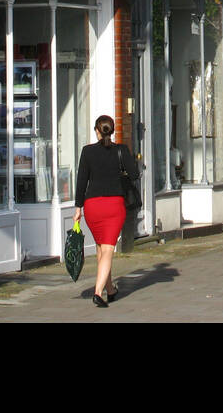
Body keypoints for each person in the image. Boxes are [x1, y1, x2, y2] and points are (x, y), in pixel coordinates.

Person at [73, 115, 137, 307]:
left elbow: (81, 181)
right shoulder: (121, 150)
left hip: (93, 206)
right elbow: (135, 174)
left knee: (102, 249)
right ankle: (98, 292)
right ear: (112, 131)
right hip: (113, 206)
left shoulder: (87, 151)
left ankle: (110, 289)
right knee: (108, 249)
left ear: (97, 131)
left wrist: (78, 208)